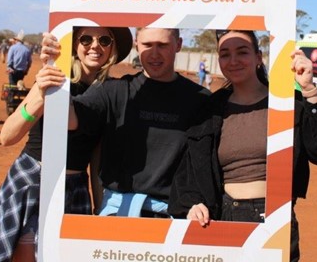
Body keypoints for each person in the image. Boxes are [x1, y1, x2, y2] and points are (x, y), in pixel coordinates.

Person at [168, 30, 317, 262]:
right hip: (221, 218)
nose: (233, 60)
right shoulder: (210, 110)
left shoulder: (287, 103)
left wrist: (309, 89)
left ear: (258, 57)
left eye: (242, 52)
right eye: (225, 54)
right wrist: (191, 205)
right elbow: (192, 169)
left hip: (273, 220)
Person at [0, 26, 133, 262]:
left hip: (75, 189)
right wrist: (42, 94)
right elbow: (7, 136)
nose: (95, 46)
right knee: (25, 252)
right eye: (86, 39)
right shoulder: (54, 78)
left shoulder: (110, 93)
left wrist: (99, 208)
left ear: (112, 48)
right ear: (75, 45)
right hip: (32, 180)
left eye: (104, 40)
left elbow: (96, 158)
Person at [44, 27, 211, 218]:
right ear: (137, 45)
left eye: (162, 45)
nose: (154, 54)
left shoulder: (201, 100)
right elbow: (70, 119)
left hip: (173, 216)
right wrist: (53, 63)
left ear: (178, 45)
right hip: (119, 214)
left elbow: (206, 162)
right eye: (147, 45)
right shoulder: (113, 91)